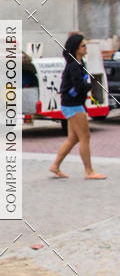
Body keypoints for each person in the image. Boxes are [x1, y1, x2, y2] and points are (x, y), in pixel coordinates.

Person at [49, 33, 106, 180]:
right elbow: (79, 86)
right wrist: (90, 86)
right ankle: (89, 171)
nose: (86, 47)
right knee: (85, 137)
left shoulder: (80, 63)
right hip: (73, 106)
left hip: (73, 104)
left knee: (73, 138)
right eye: (83, 45)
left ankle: (55, 166)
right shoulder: (74, 65)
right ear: (76, 48)